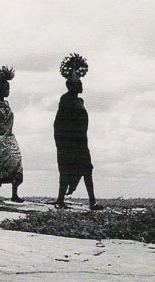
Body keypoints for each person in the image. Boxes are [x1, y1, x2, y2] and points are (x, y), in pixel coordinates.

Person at [54, 53, 103, 210]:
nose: (82, 86)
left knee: (87, 169)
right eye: (79, 84)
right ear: (73, 86)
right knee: (66, 171)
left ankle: (92, 201)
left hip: (81, 141)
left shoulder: (79, 101)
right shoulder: (65, 100)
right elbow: (59, 123)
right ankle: (60, 200)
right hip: (69, 143)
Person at [0, 66, 23, 202]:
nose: (8, 91)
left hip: (9, 139)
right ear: (0, 89)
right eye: (7, 89)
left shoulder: (7, 104)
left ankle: (14, 194)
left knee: (16, 162)